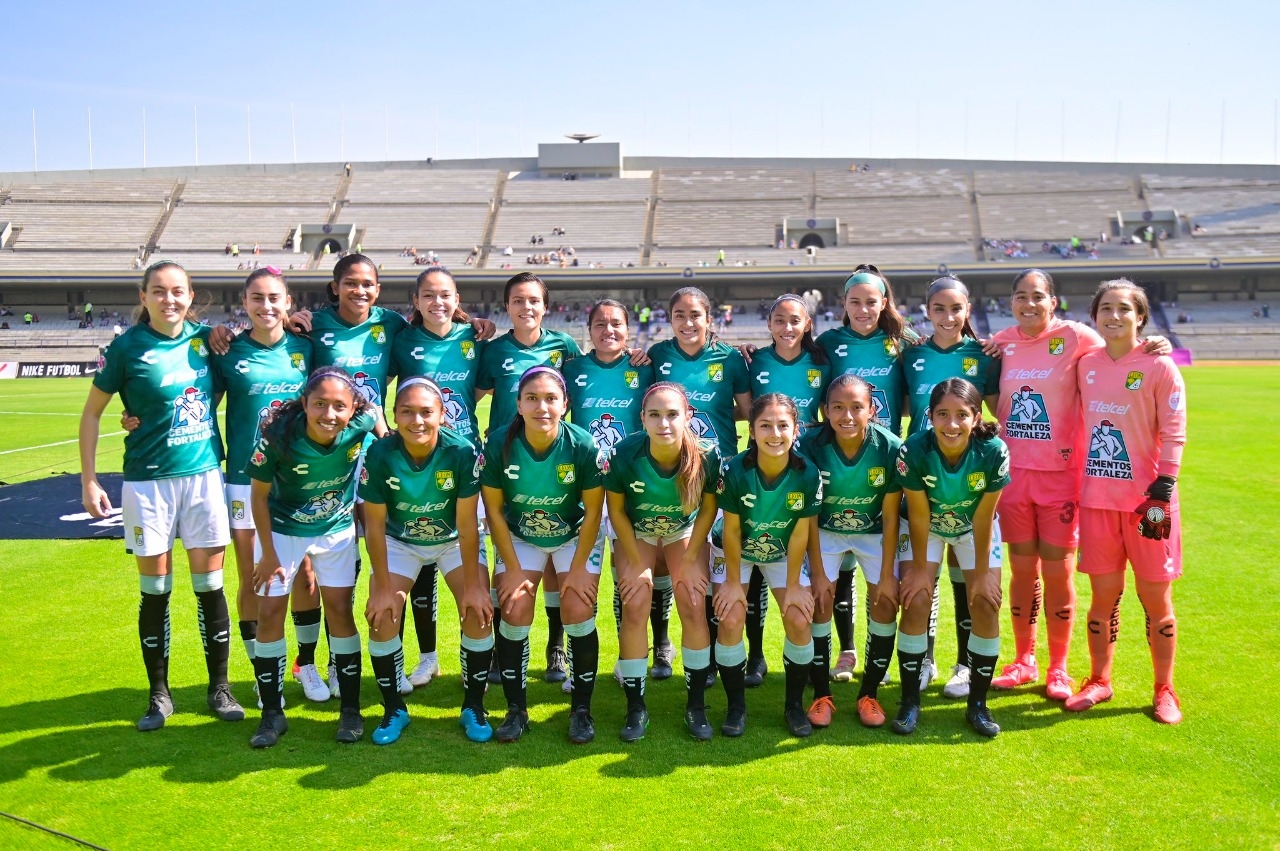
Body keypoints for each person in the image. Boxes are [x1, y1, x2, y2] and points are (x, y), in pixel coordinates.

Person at [79, 261, 243, 731]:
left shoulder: (210, 341)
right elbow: (92, 414)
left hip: (204, 477)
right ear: (144, 295)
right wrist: (89, 479)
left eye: (178, 291)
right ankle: (159, 694)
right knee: (155, 590)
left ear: (191, 296)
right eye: (159, 291)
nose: (169, 299)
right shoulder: (127, 347)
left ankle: (219, 687)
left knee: (209, 586)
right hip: (148, 483)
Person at [989, 269, 1168, 702]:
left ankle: (1058, 668)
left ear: (1054, 301)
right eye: (1020, 296)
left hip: (1063, 478)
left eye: (1038, 296)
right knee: (1022, 570)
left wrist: (1153, 344)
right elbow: (988, 391)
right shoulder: (1001, 343)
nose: (1028, 304)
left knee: (1057, 571)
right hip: (1014, 476)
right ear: (1011, 301)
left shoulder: (1076, 336)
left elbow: (1119, 345)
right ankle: (1023, 659)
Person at [1068, 279, 1187, 724]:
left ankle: (1164, 688)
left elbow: (1175, 428)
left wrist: (1165, 483)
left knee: (1155, 597)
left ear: (1140, 316)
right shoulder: (1086, 364)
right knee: (1104, 598)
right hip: (1097, 502)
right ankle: (1099, 680)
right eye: (1105, 309)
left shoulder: (1159, 366)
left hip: (1149, 505)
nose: (1114, 316)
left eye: (1124, 309)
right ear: (1094, 316)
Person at [245, 366, 377, 747]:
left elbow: (377, 415)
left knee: (340, 612)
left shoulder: (361, 423)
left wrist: (384, 438)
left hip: (335, 529)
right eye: (320, 404)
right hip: (283, 530)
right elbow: (257, 496)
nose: (329, 414)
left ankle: (350, 710)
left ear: (353, 409)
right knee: (270, 612)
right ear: (304, 403)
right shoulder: (278, 436)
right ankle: (272, 714)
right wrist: (268, 554)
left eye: (339, 406)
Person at [210, 268, 324, 704]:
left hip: (299, 478)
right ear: (245, 303)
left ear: (289, 302)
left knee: (306, 575)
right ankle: (264, 674)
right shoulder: (227, 351)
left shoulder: (304, 349)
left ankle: (306, 665)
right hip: (245, 480)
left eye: (275, 297)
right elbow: (198, 398)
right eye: (257, 298)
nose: (266, 306)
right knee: (253, 577)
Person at [359, 378, 493, 744]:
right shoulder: (380, 453)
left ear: (442, 415)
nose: (417, 421)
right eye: (407, 412)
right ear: (394, 416)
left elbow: (467, 526)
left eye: (425, 412)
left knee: (479, 612)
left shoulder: (462, 452)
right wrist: (384, 587)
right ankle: (393, 710)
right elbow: (373, 525)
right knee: (382, 616)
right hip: (400, 542)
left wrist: (476, 588)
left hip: (453, 541)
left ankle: (473, 706)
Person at [480, 367, 607, 743]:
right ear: (518, 404)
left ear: (565, 404)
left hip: (574, 537)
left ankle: (581, 710)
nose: (542, 407)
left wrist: (581, 568)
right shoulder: (500, 442)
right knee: (516, 608)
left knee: (578, 608)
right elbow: (495, 513)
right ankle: (516, 710)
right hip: (521, 536)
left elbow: (593, 514)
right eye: (532, 398)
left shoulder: (582, 445)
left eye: (551, 398)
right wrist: (514, 570)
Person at [475, 272, 584, 687]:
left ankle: (556, 650)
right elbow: (472, 395)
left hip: (553, 467)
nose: (526, 307)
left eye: (534, 300)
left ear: (546, 306)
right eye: (518, 300)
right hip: (504, 467)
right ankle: (505, 656)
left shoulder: (564, 347)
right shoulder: (493, 350)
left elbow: (589, 376)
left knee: (556, 563)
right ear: (507, 307)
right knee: (508, 561)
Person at [815, 265, 916, 686]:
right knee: (835, 575)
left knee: (894, 575)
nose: (863, 309)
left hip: (886, 464)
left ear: (885, 303)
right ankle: (845, 650)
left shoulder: (904, 344)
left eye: (871, 301)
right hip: (836, 458)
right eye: (854, 301)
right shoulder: (828, 343)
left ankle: (912, 660)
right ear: (844, 305)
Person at [647, 287, 754, 684]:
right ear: (670, 319)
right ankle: (666, 645)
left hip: (719, 473)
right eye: (679, 315)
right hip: (673, 475)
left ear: (710, 319)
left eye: (695, 315)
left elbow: (746, 411)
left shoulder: (729, 359)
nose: (688, 322)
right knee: (667, 561)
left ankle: (711, 654)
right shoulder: (657, 356)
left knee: (715, 564)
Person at [561, 301, 671, 680]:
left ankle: (657, 647)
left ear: (628, 329)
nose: (608, 330)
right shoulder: (572, 368)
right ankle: (574, 657)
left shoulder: (644, 368)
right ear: (588, 330)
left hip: (633, 485)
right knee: (585, 571)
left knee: (636, 571)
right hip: (586, 486)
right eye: (600, 323)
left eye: (616, 323)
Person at [605, 382, 721, 740]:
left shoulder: (705, 454)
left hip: (683, 530)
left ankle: (696, 705)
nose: (664, 423)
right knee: (636, 601)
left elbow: (708, 509)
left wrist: (688, 558)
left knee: (691, 600)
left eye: (672, 414)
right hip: (636, 530)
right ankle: (636, 707)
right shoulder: (625, 453)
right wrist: (638, 561)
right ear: (642, 418)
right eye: (654, 415)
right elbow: (617, 510)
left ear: (688, 416)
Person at [903, 276, 1000, 701]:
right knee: (922, 583)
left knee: (971, 584)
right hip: (922, 478)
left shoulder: (984, 355)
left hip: (967, 484)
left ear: (968, 310)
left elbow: (999, 408)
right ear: (927, 311)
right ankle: (924, 660)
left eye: (955, 308)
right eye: (938, 308)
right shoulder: (911, 355)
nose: (947, 316)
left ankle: (965, 664)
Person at [895, 377, 1010, 737]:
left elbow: (984, 515)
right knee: (915, 600)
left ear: (976, 417)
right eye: (942, 414)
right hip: (924, 523)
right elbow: (918, 513)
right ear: (929, 416)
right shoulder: (913, 449)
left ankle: (978, 704)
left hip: (974, 526)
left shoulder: (994, 451)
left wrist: (984, 575)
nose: (952, 424)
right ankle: (910, 701)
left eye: (961, 415)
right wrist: (918, 572)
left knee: (986, 602)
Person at [390, 266, 486, 688]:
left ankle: (484, 656)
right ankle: (428, 655)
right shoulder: (401, 338)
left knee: (473, 558)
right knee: (420, 556)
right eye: (428, 295)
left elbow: (480, 388)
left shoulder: (475, 339)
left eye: (445, 294)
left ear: (457, 298)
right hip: (415, 460)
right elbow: (373, 383)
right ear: (416, 301)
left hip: (465, 461)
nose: (437, 302)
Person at [711, 393, 823, 737]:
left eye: (783, 425)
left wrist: (792, 587)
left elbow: (801, 533)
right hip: (736, 551)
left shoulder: (807, 473)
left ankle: (793, 706)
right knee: (730, 618)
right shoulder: (733, 470)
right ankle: (736, 707)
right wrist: (731, 582)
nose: (775, 433)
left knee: (799, 617)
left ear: (796, 429)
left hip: (782, 552)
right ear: (752, 429)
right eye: (765, 425)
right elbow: (730, 530)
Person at [799, 375, 902, 729]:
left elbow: (890, 515)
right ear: (825, 411)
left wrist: (888, 574)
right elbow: (808, 513)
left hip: (873, 533)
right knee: (819, 601)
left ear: (871, 410)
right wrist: (816, 568)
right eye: (838, 407)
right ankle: (821, 694)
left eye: (856, 407)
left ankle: (868, 694)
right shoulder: (810, 444)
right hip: (825, 530)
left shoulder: (888, 446)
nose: (847, 415)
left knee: (886, 601)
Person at [750, 294, 831, 429]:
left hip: (807, 448)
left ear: (807, 325)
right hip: (765, 447)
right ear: (769, 323)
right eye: (780, 321)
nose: (787, 328)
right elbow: (745, 410)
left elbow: (828, 415)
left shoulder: (821, 364)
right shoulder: (754, 361)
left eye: (795, 321)